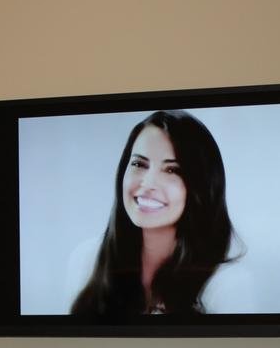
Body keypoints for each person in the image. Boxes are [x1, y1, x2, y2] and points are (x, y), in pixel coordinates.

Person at [70, 109, 242, 318]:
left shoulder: (227, 286)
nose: (148, 183)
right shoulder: (86, 259)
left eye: (172, 170)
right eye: (139, 164)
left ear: (201, 187)